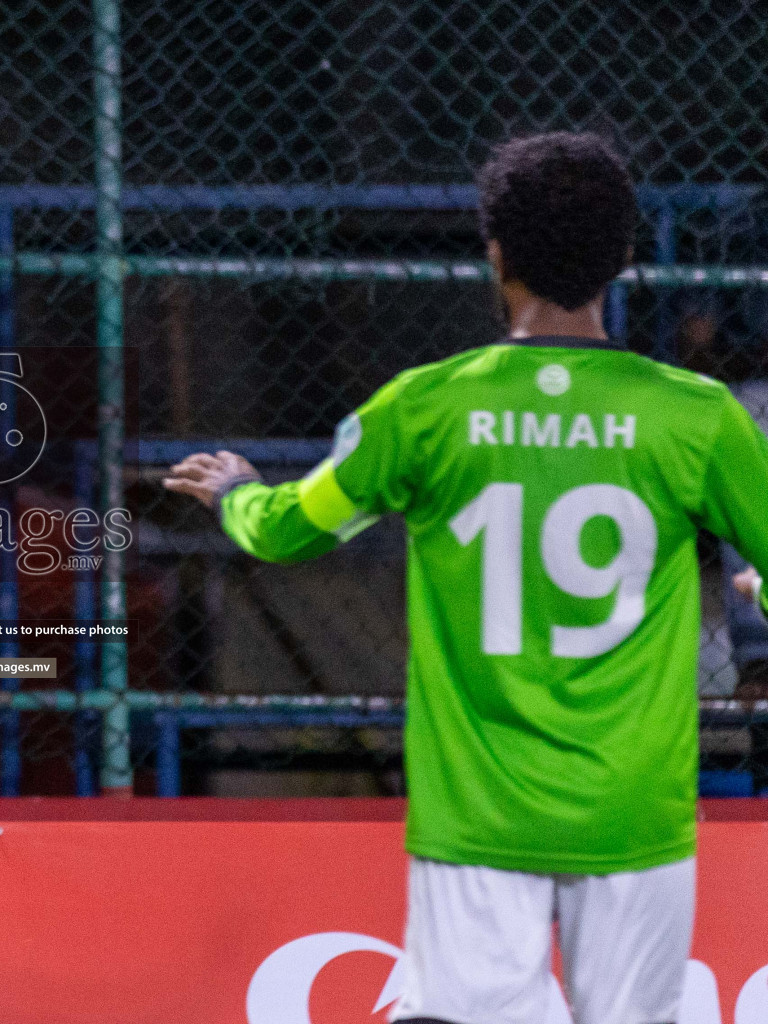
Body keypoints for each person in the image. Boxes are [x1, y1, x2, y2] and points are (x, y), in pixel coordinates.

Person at [164, 132, 768, 1024]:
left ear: (495, 252)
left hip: (479, 815)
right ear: (625, 257)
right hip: (634, 815)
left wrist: (237, 494)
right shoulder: (699, 419)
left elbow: (290, 532)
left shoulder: (423, 407)